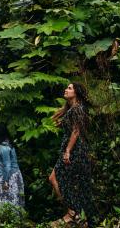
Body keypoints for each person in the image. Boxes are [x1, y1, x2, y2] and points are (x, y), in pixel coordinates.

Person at [48, 82, 96, 227]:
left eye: (69, 88)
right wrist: (61, 122)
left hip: (75, 150)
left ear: (76, 92)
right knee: (64, 180)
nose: (66, 90)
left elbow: (76, 131)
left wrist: (68, 151)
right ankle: (74, 213)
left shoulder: (77, 109)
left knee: (56, 178)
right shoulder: (74, 109)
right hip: (74, 149)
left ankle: (72, 213)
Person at [0, 124, 25, 208]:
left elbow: (7, 166)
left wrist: (5, 182)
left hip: (7, 177)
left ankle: (6, 220)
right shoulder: (9, 144)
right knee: (14, 201)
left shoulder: (3, 147)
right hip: (14, 175)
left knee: (4, 202)